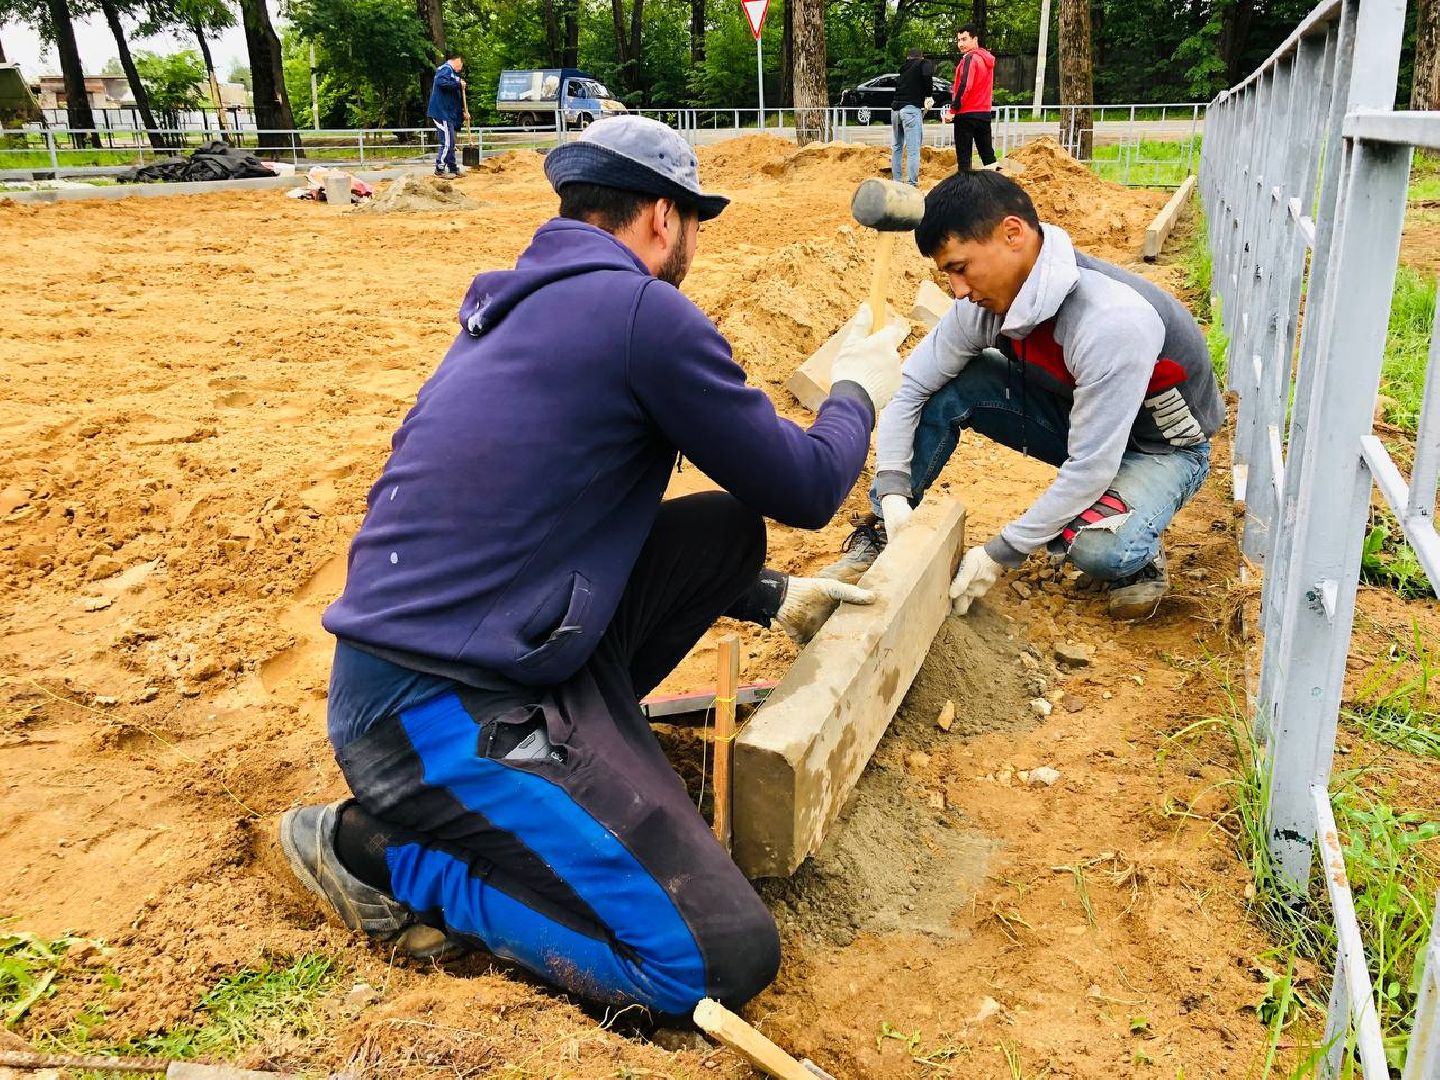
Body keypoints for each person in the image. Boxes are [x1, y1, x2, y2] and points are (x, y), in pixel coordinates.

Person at [278, 116, 908, 1018]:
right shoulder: (641, 313)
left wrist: (769, 595)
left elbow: (560, 504)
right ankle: (384, 854)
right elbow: (806, 485)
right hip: (432, 716)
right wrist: (858, 390)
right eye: (694, 223)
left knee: (725, 531)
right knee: (711, 960)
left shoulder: (519, 306)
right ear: (661, 216)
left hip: (469, 655)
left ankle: (587, 742)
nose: (692, 242)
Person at [823, 169, 1224, 621]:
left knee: (1100, 549)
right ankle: (884, 534)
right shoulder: (985, 302)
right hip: (1079, 422)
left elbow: (1092, 466)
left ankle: (1138, 541)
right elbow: (912, 386)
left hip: (1157, 448)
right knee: (949, 384)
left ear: (1012, 233)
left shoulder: (1110, 322)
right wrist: (893, 487)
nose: (958, 291)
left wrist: (999, 552)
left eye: (960, 268)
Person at [946, 25, 996, 171]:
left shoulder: (970, 58)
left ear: (975, 39)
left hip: (966, 114)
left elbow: (965, 86)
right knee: (988, 155)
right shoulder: (986, 60)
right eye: (959, 40)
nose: (961, 44)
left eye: (964, 39)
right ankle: (995, 189)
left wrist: (953, 110)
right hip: (984, 113)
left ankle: (965, 191)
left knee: (964, 159)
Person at [890, 47, 933, 187]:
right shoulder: (923, 63)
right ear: (920, 57)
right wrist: (929, 95)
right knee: (913, 149)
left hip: (895, 110)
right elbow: (927, 73)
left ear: (908, 57)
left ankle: (896, 181)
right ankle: (912, 184)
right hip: (910, 110)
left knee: (897, 146)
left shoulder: (904, 68)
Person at [427, 53, 469, 178]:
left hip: (448, 113)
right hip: (441, 113)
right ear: (457, 61)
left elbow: (453, 98)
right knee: (446, 142)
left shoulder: (452, 74)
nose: (461, 68)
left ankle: (452, 167)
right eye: (461, 65)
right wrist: (458, 84)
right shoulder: (445, 69)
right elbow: (441, 83)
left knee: (451, 142)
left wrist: (462, 112)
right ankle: (439, 169)